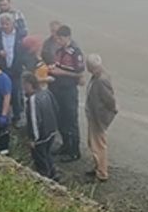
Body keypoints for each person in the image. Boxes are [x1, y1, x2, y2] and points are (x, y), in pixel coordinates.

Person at [48, 25, 85, 161]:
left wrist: (61, 72)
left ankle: (74, 151)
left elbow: (79, 73)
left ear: (68, 37)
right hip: (57, 88)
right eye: (57, 39)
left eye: (61, 39)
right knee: (60, 119)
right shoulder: (59, 50)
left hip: (68, 91)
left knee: (71, 121)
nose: (58, 41)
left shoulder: (75, 52)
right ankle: (65, 145)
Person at [84, 54, 118, 182]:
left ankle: (102, 173)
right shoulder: (98, 76)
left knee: (98, 145)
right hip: (94, 116)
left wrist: (110, 111)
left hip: (98, 118)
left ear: (90, 67)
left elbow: (109, 100)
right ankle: (98, 167)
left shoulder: (101, 80)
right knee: (93, 143)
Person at [0, 13, 25, 124]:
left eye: (7, 24)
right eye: (2, 24)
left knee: (15, 93)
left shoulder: (21, 35)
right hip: (2, 70)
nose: (4, 26)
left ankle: (17, 116)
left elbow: (25, 51)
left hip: (16, 70)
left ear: (13, 23)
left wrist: (23, 65)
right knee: (2, 93)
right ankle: (3, 114)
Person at [23, 71, 60, 181]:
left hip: (41, 136)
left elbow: (34, 121)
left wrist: (33, 139)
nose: (23, 88)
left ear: (29, 84)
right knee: (47, 154)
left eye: (24, 84)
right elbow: (56, 108)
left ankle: (45, 179)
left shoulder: (33, 100)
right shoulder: (46, 92)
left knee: (40, 159)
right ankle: (53, 174)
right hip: (51, 131)